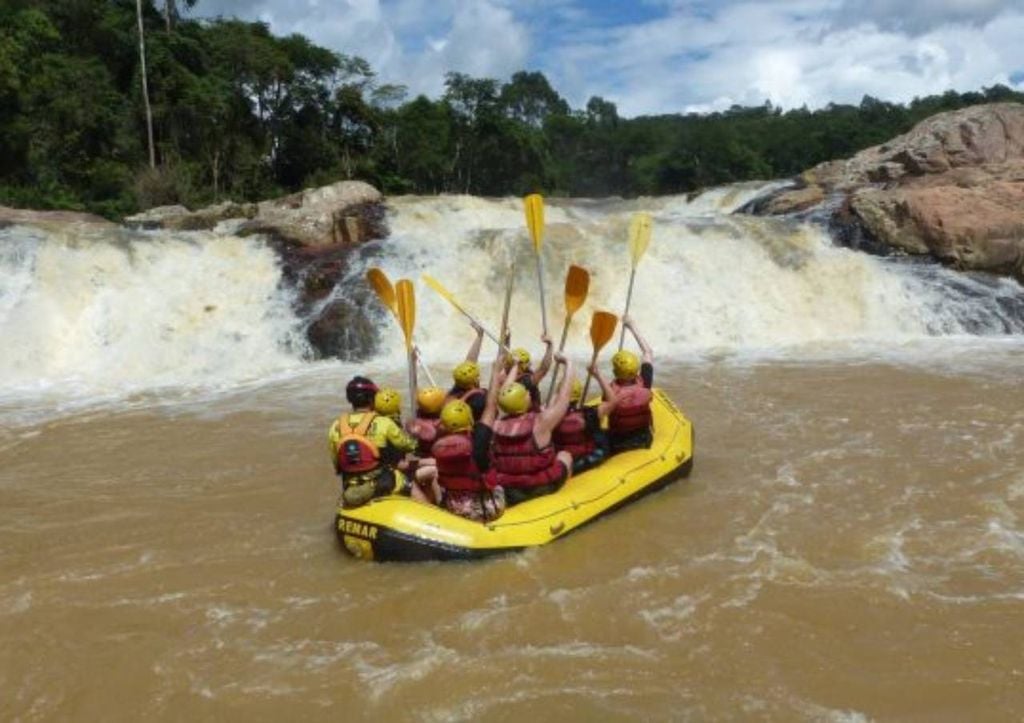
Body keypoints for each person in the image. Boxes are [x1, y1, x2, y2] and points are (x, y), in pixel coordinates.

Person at [490, 354, 574, 506]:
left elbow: (503, 394)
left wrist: (514, 367)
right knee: (565, 455)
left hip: (509, 489)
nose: (529, 393)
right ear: (523, 401)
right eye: (526, 394)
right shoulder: (541, 422)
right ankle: (560, 500)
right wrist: (569, 364)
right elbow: (564, 398)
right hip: (539, 487)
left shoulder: (495, 425)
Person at [328, 376, 424, 507]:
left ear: (350, 399)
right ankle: (435, 519)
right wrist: (416, 437)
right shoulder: (383, 422)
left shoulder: (336, 426)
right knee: (411, 485)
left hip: (349, 484)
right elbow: (407, 445)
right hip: (382, 481)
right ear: (372, 399)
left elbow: (337, 463)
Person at [430, 361, 507, 522]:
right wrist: (495, 372)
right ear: (469, 419)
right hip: (484, 511)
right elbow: (491, 407)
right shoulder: (479, 439)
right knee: (499, 481)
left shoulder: (439, 446)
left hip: (453, 509)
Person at [553, 365, 619, 474]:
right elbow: (613, 401)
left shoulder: (549, 417)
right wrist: (598, 375)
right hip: (588, 460)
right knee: (602, 432)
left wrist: (558, 393)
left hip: (564, 462)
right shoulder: (590, 413)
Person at [608, 316, 655, 453]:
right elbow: (648, 352)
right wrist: (632, 325)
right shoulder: (645, 385)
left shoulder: (610, 391)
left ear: (615, 371)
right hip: (643, 440)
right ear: (636, 371)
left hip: (617, 444)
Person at [446, 321, 488, 421]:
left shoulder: (452, 395)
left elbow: (470, 362)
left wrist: (480, 336)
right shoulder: (480, 399)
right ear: (475, 381)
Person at [505, 334, 553, 411]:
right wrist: (550, 346)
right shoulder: (525, 381)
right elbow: (543, 369)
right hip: (530, 416)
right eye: (527, 362)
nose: (530, 364)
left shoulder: (508, 375)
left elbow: (505, 358)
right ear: (522, 365)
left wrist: (507, 340)